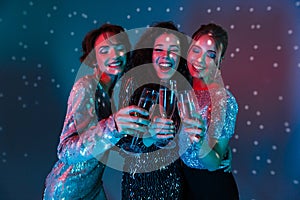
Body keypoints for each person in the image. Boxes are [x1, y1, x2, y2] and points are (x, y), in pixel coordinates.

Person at [43, 24, 150, 199]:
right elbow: (65, 150)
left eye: (118, 47)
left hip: (94, 188)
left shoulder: (117, 93)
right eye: (104, 50)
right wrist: (113, 127)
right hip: (68, 191)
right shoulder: (86, 86)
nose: (114, 55)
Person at [118, 21, 190, 199]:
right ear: (150, 53)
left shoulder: (183, 89)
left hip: (174, 183)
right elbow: (122, 143)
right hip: (140, 184)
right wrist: (149, 136)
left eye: (173, 50)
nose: (166, 56)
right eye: (159, 49)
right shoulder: (133, 83)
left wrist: (217, 149)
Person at [180, 23, 239, 199]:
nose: (199, 60)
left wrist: (198, 141)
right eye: (196, 50)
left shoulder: (223, 100)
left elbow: (214, 163)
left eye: (210, 55)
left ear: (219, 61)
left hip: (212, 188)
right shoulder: (184, 90)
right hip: (186, 184)